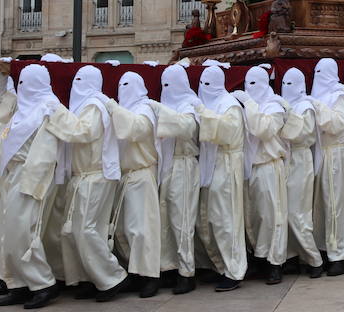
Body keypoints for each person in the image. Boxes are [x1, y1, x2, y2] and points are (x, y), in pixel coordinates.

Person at [46, 66, 128, 302]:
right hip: (82, 175)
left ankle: (113, 277)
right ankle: (88, 277)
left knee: (87, 229)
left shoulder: (94, 105)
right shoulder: (84, 105)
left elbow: (83, 132)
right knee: (73, 230)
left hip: (95, 174)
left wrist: (57, 112)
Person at [0, 65, 63, 309]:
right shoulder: (22, 109)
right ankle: (18, 284)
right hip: (13, 174)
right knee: (9, 231)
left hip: (32, 174)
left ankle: (43, 283)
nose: (21, 87)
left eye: (25, 82)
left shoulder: (50, 106)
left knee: (23, 231)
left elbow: (65, 136)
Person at [105, 72, 163, 298]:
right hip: (124, 175)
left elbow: (136, 130)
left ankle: (149, 275)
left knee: (142, 229)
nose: (124, 88)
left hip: (141, 173)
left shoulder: (145, 108)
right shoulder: (121, 108)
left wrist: (113, 108)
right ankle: (133, 271)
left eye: (128, 84)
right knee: (123, 229)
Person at [234, 65, 289, 284]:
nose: (250, 88)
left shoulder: (275, 105)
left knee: (271, 216)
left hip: (268, 165)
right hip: (248, 167)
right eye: (248, 84)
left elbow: (263, 130)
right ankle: (258, 258)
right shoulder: (249, 105)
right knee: (252, 216)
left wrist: (248, 103)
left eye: (255, 83)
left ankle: (275, 262)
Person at [196, 65, 247, 291]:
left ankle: (234, 269)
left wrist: (203, 113)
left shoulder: (230, 105)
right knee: (209, 218)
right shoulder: (211, 103)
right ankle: (219, 264)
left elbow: (227, 132)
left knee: (226, 219)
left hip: (226, 163)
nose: (204, 89)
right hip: (210, 164)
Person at [155, 64, 202, 295]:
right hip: (167, 166)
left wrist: (158, 111)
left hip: (184, 163)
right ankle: (169, 267)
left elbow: (186, 127)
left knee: (182, 219)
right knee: (165, 219)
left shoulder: (189, 104)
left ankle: (186, 272)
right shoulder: (167, 104)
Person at [279, 67, 325, 277]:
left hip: (300, 159)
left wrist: (285, 115)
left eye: (291, 84)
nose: (286, 88)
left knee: (298, 212)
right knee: (284, 210)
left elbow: (297, 134)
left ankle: (314, 259)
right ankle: (293, 256)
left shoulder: (305, 106)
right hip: (287, 160)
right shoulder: (285, 104)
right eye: (284, 83)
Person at [309, 58, 344, 276]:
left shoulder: (338, 96)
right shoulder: (318, 96)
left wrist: (317, 107)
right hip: (320, 152)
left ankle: (339, 254)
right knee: (320, 204)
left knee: (335, 203)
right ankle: (324, 248)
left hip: (335, 150)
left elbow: (337, 124)